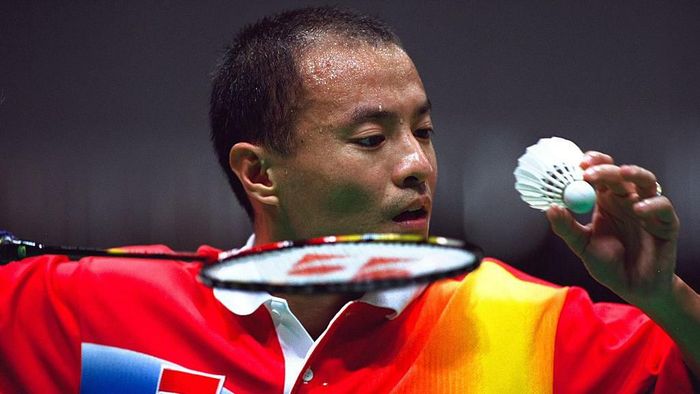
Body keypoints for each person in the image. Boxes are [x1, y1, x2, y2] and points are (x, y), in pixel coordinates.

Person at [1, 6, 698, 393]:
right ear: (259, 173)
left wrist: (665, 297)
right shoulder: (95, 308)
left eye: (423, 131)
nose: (417, 165)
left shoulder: (533, 328)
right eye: (372, 138)